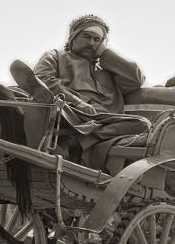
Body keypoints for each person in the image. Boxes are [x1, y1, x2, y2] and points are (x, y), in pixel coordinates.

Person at [10, 14, 150, 166]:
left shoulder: (109, 70)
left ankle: (74, 141)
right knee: (43, 101)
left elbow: (136, 80)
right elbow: (44, 79)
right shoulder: (56, 56)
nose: (91, 43)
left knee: (142, 124)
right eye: (86, 36)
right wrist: (77, 102)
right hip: (70, 111)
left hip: (104, 120)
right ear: (72, 38)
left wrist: (104, 53)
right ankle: (70, 131)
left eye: (97, 40)